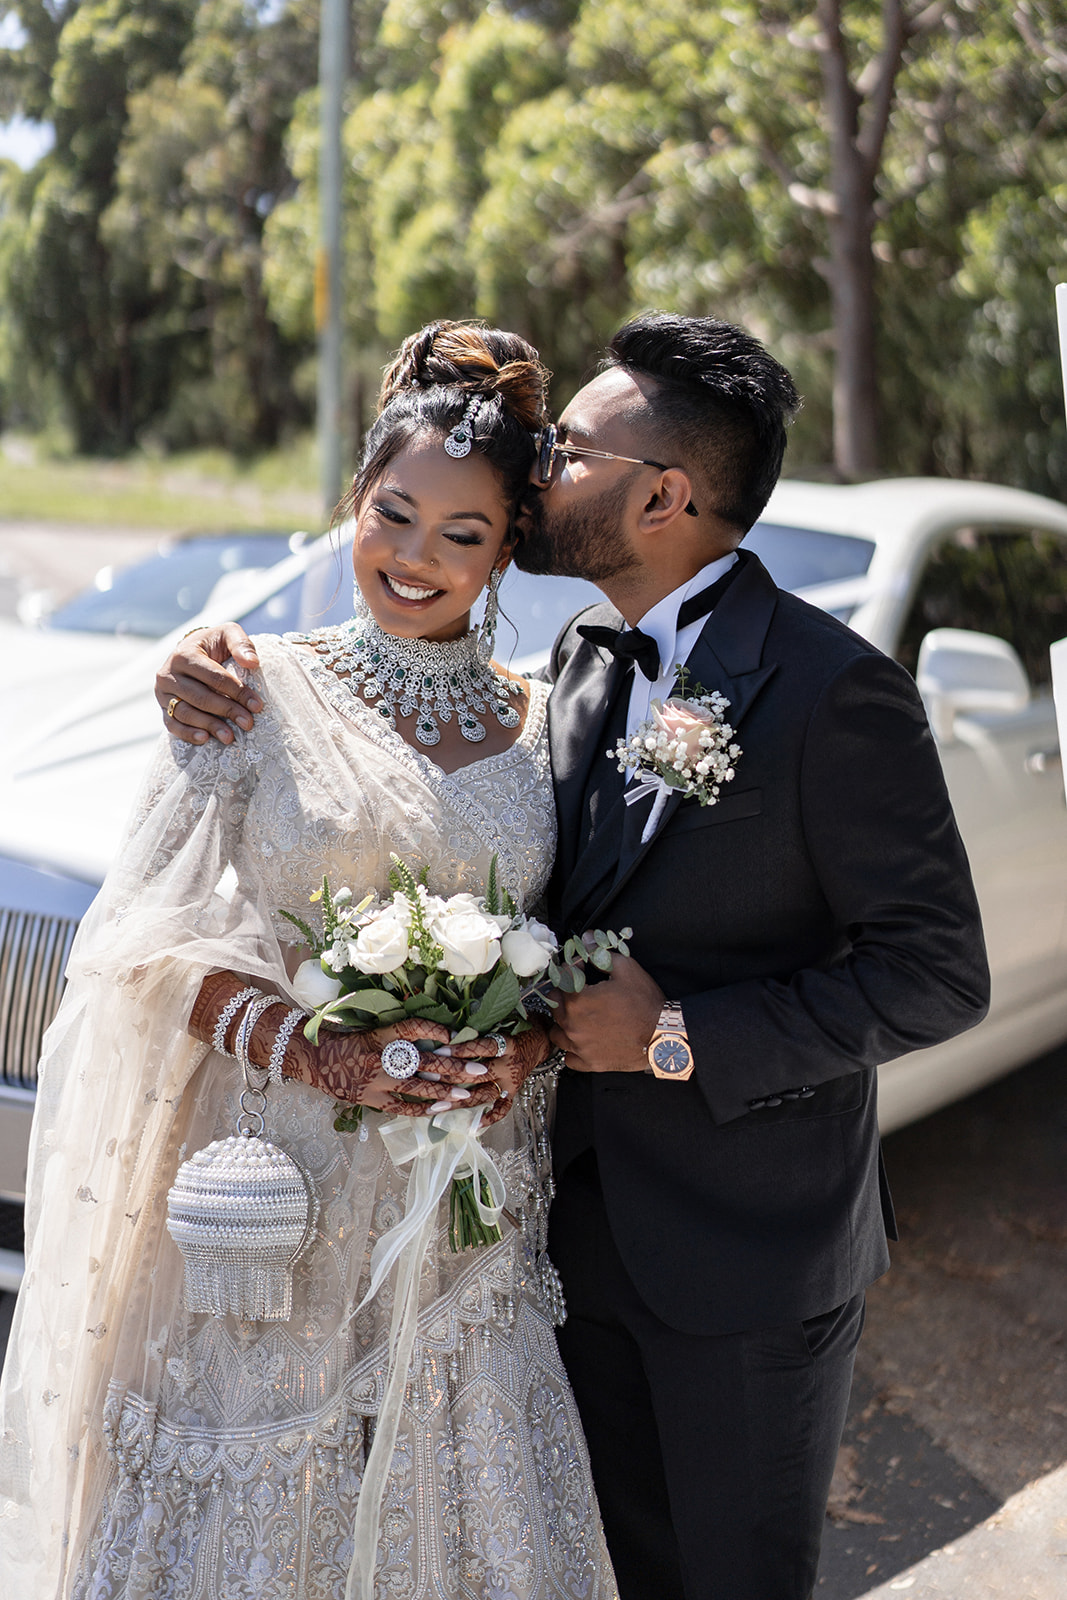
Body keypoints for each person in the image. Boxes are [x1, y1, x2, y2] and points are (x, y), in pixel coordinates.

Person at [151, 312, 990, 1600]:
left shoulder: (835, 694)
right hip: (551, 1250)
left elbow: (935, 974)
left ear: (660, 496)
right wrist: (208, 667)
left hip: (744, 1270)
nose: (536, 467)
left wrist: (676, 1038)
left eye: (568, 449)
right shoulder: (579, 664)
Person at [0, 322, 619, 1600]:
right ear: (354, 501)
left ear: (507, 547)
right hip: (275, 1200)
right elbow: (142, 945)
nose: (415, 556)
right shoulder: (252, 690)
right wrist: (318, 1051)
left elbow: (564, 935)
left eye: (460, 533)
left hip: (467, 1208)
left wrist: (521, 1045)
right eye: (393, 515)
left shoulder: (540, 716)